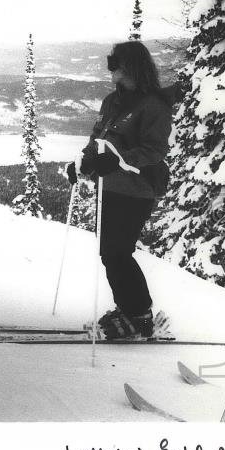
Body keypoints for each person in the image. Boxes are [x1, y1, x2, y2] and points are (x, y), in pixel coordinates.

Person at [67, 40, 173, 339]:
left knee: (118, 252)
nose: (111, 73)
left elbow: (154, 151)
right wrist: (82, 164)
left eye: (115, 67)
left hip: (137, 190)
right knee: (109, 253)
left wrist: (116, 161)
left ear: (131, 68)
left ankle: (140, 315)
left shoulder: (154, 105)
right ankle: (128, 309)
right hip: (110, 188)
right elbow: (97, 138)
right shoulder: (112, 102)